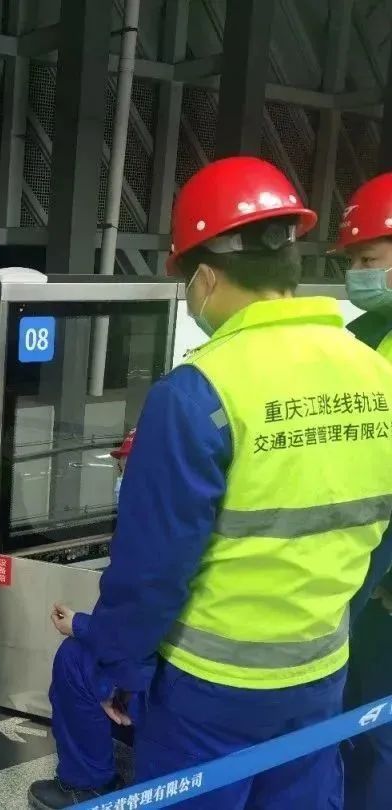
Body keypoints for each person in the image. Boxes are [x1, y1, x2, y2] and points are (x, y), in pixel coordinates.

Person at [28, 156, 392, 809]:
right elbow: (378, 534)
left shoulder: (199, 390)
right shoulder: (375, 375)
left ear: (204, 276)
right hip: (319, 673)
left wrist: (118, 668)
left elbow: (151, 570)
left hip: (208, 689)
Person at [26, 430, 139, 809]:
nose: (120, 480)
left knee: (75, 659)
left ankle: (86, 783)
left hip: (168, 674)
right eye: (120, 470)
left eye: (127, 470)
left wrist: (78, 626)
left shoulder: (149, 540)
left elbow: (133, 631)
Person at [330, 174, 392, 810]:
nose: (358, 275)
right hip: (361, 572)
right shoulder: (364, 334)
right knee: (353, 715)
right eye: (352, 262)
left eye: (369, 260)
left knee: (382, 733)